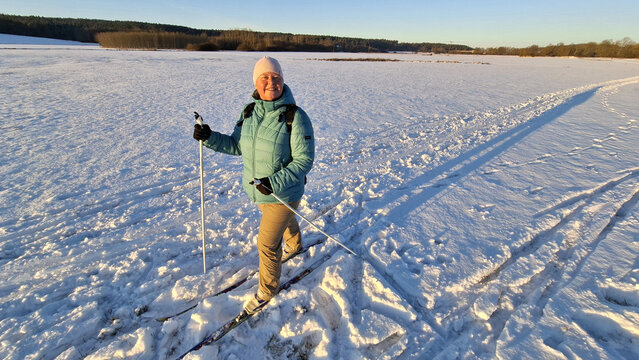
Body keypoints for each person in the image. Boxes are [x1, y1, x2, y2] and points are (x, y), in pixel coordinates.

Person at [193, 56, 314, 315]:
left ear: (283, 81)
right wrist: (209, 137)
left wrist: (274, 182)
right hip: (258, 190)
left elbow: (304, 160)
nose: (271, 82)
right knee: (284, 222)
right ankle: (294, 245)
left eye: (276, 78)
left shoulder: (295, 116)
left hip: (284, 192)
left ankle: (267, 290)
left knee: (267, 244)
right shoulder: (249, 111)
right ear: (256, 83)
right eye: (265, 78)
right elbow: (237, 145)